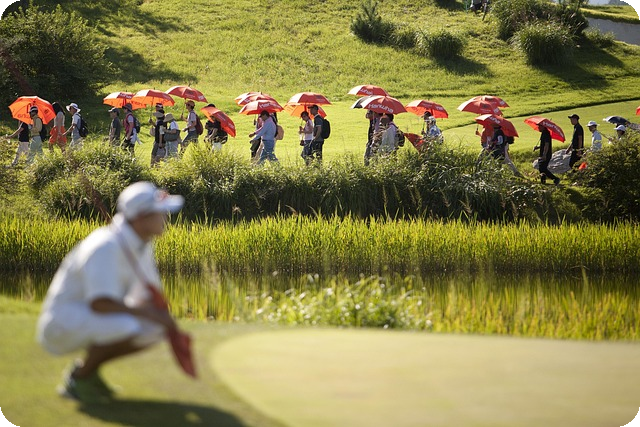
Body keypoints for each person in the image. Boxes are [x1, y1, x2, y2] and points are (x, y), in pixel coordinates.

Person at [36, 181, 184, 404]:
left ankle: (89, 372)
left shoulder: (142, 243)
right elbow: (100, 303)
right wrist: (147, 312)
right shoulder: (105, 246)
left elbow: (147, 290)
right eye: (160, 213)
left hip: (90, 316)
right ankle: (78, 378)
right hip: (62, 323)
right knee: (127, 326)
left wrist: (161, 314)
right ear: (141, 218)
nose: (165, 217)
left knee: (155, 327)